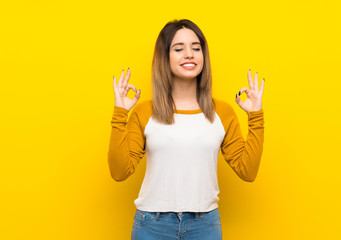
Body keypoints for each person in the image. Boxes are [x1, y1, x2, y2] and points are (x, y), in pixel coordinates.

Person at [108, 19, 265, 240]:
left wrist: (255, 116)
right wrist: (120, 113)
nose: (189, 54)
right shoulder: (145, 112)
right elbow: (119, 171)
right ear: (165, 58)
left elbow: (247, 171)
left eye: (196, 48)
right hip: (152, 226)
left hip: (205, 225)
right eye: (179, 48)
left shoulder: (222, 112)